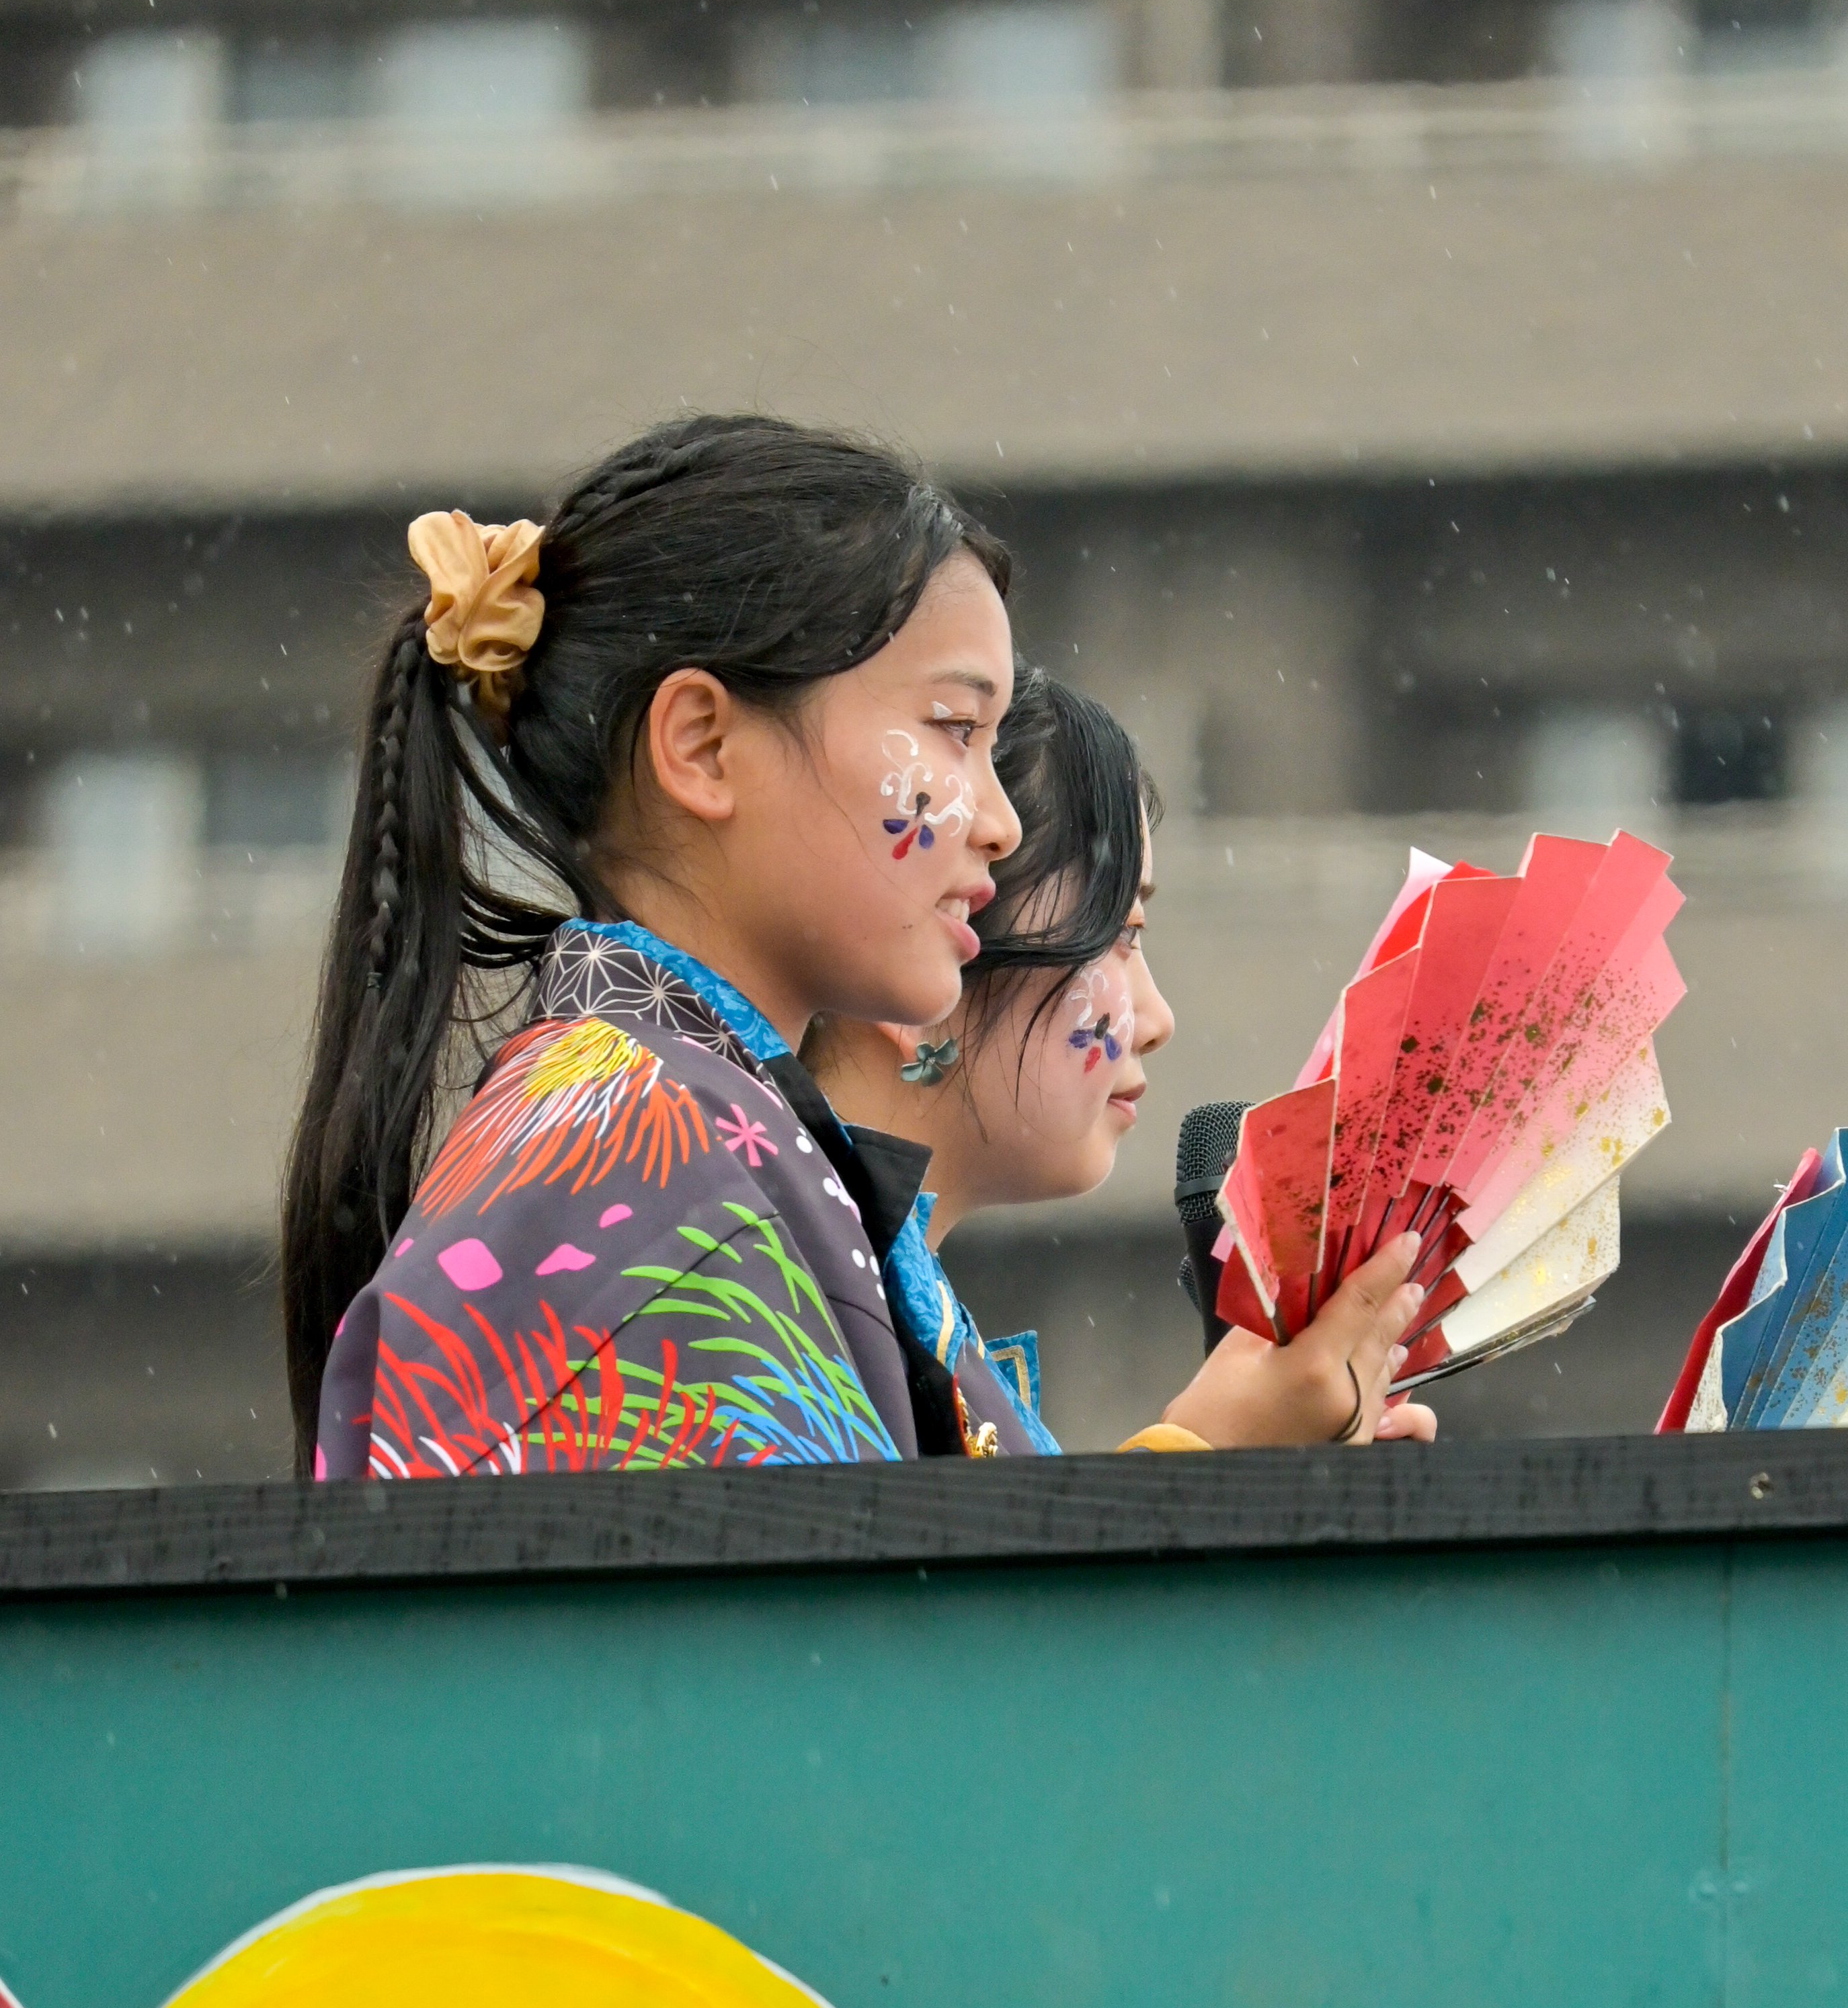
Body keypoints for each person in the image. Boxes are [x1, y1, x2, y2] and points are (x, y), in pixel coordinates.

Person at [283, 417, 1427, 1476]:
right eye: (951, 729)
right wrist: (1200, 1463)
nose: (1001, 820)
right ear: (702, 746)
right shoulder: (632, 1146)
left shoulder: (679, 1133)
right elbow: (841, 1683)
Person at [804, 666, 1435, 1453]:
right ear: (935, 937)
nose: (1156, 1020)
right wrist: (1210, 1464)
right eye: (1122, 933)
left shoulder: (849, 1285)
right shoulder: (774, 1285)